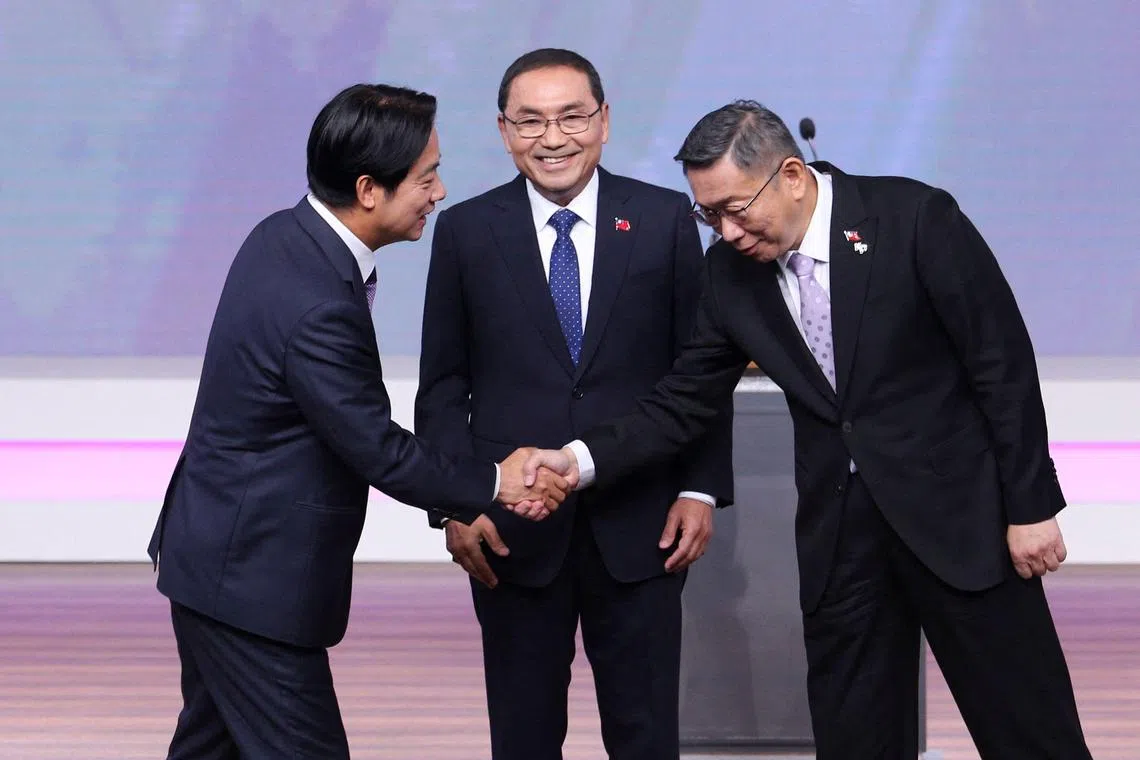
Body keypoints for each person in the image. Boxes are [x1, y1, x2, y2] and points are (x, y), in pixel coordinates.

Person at [517, 100, 1092, 760]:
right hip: (840, 541)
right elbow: (683, 401)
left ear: (791, 175)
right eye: (709, 216)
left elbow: (1001, 365)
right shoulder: (730, 275)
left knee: (1029, 731)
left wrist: (1030, 506)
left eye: (736, 208)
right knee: (855, 740)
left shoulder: (913, 219)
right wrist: (579, 460)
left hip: (963, 523)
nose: (726, 232)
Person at [145, 83, 567, 759]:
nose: (439, 191)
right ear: (369, 189)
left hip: (216, 559)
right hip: (250, 581)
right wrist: (497, 480)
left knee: (210, 747)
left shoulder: (286, 234)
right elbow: (376, 447)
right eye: (426, 177)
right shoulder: (317, 302)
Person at [414, 49, 733, 760]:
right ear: (503, 132)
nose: (552, 138)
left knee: (645, 730)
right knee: (523, 734)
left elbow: (700, 372)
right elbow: (442, 384)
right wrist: (456, 503)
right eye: (530, 121)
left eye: (571, 117)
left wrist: (700, 487)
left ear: (605, 121)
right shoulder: (466, 230)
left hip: (644, 519)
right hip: (511, 529)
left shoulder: (663, 219)